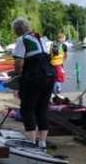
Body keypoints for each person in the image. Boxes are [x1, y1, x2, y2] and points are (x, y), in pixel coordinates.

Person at [12, 18, 55, 149]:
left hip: (35, 77)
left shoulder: (22, 39)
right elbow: (39, 58)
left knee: (27, 109)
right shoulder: (40, 38)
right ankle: (42, 143)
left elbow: (19, 62)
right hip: (49, 75)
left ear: (17, 30)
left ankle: (31, 143)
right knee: (42, 109)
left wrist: (18, 73)